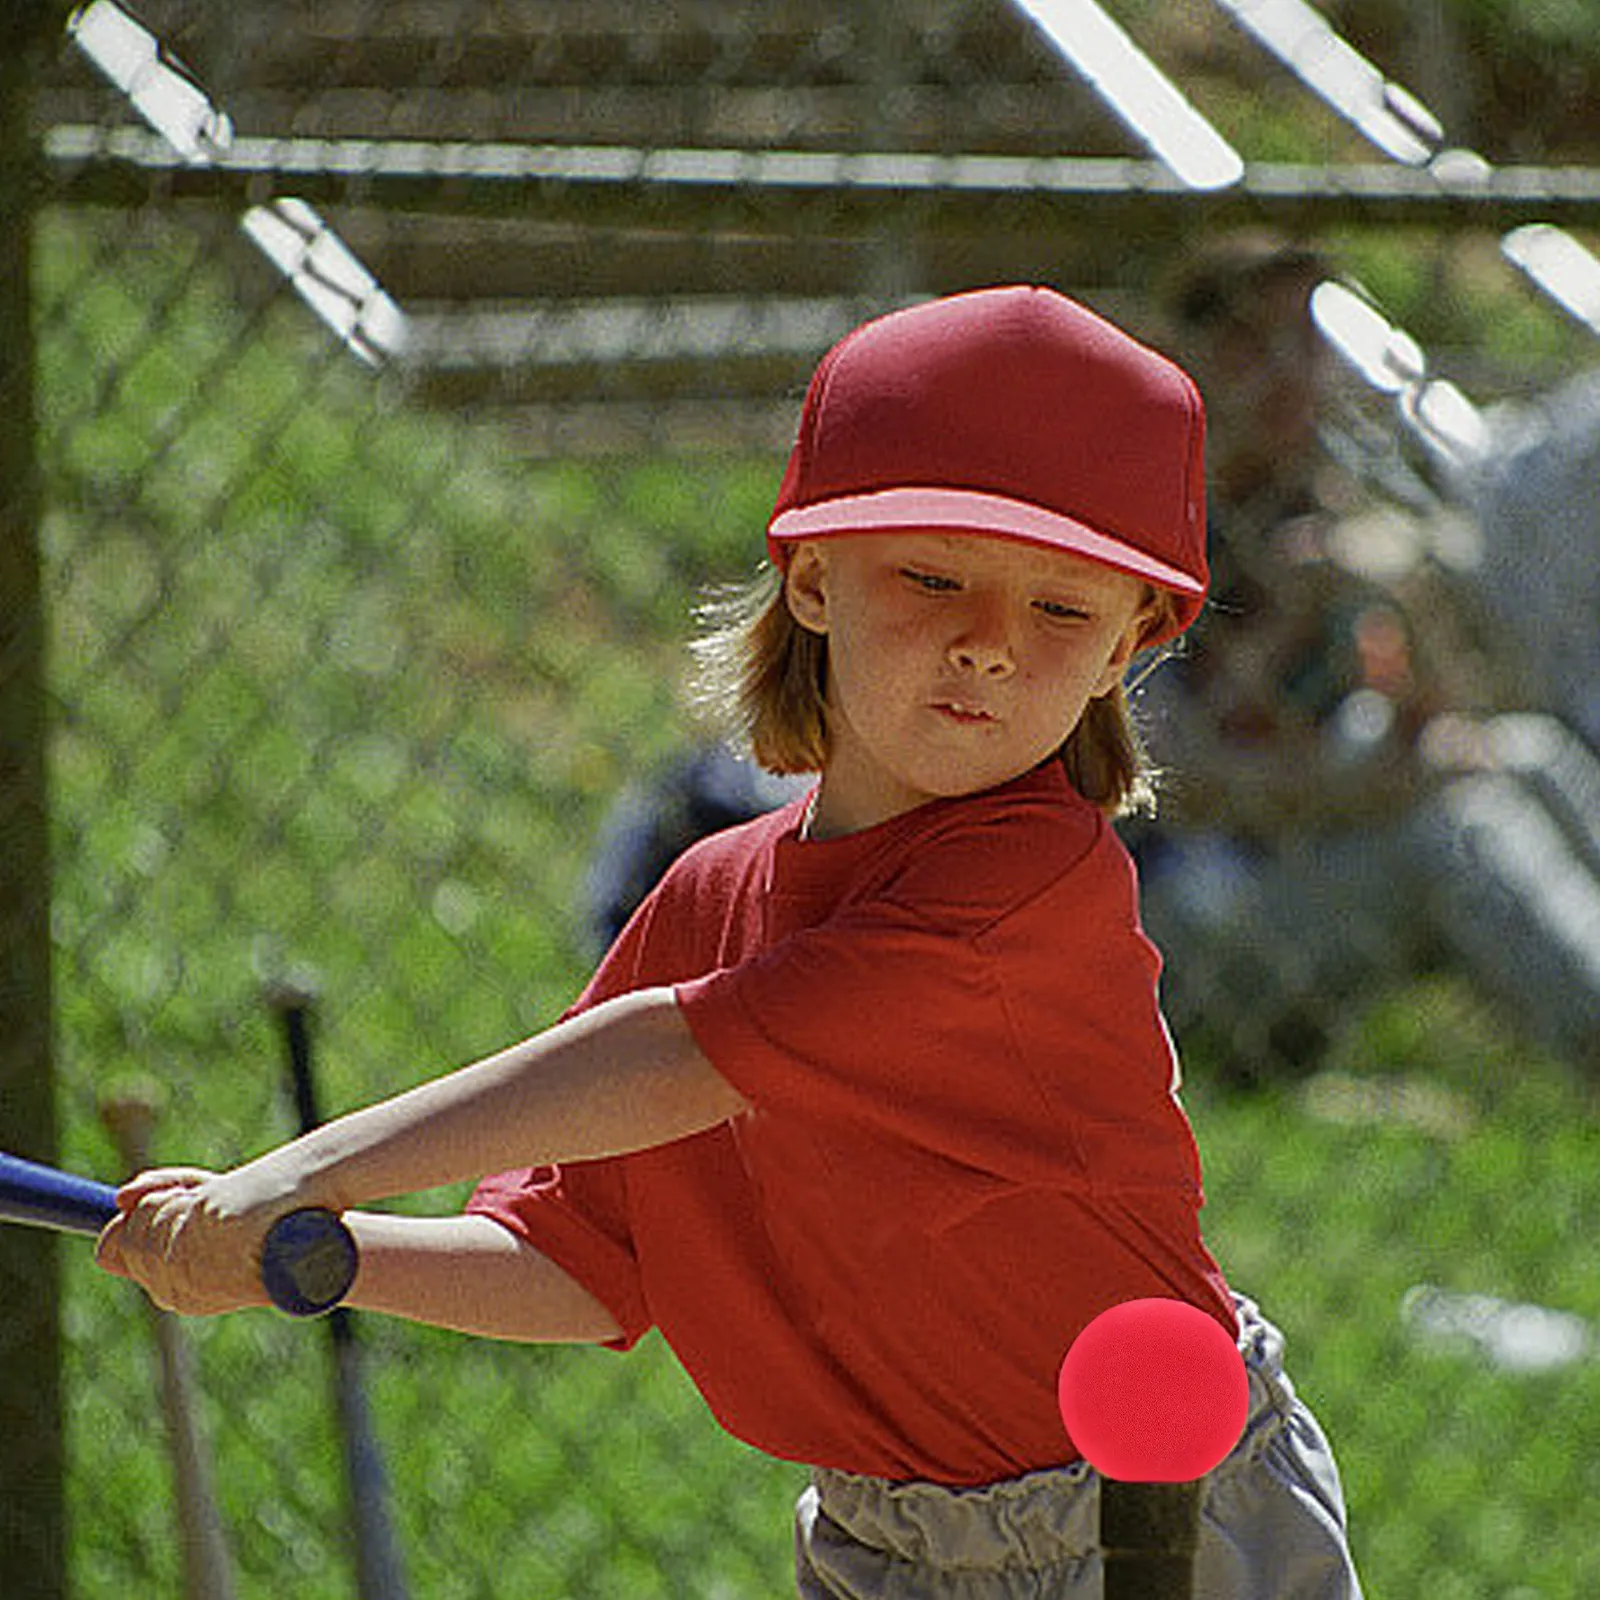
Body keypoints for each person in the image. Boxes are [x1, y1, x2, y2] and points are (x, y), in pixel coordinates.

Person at [96, 287, 1363, 1598]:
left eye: (1059, 608)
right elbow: (577, 1262)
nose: (989, 643)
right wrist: (306, 1254)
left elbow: (680, 1059)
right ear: (813, 578)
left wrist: (300, 1173)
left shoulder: (1027, 881)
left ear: (1130, 641)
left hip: (1153, 1514)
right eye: (933, 576)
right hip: (884, 1546)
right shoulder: (710, 901)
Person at [1135, 236, 1600, 1082]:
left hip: (1307, 878)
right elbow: (1166, 782)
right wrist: (1371, 791)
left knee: (1533, 754)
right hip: (1180, 927)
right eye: (1253, 343)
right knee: (1454, 832)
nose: (1288, 372)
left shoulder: (1322, 508)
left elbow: (1452, 722)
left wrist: (1403, 599)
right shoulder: (1144, 526)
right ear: (1184, 359)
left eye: (1305, 341)